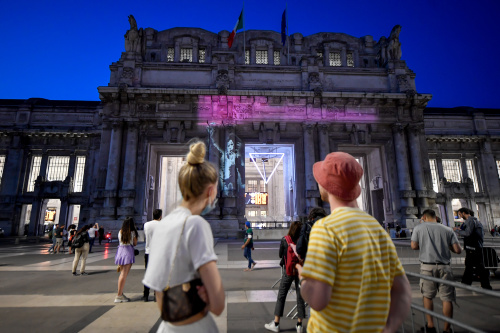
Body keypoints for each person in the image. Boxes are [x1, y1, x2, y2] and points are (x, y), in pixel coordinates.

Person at [296, 152, 411, 333]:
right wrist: (389, 328)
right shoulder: (376, 228)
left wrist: (303, 279)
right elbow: (403, 289)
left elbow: (318, 300)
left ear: (327, 185)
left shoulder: (325, 228)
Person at [142, 141, 225, 332]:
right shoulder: (196, 225)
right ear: (211, 191)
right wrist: (205, 293)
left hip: (167, 326)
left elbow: (160, 297)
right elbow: (218, 304)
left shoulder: (162, 225)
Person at [411, 209, 462, 333]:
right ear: (435, 217)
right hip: (445, 267)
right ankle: (447, 329)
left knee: (427, 296)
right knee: (447, 298)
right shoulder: (448, 229)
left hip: (427, 267)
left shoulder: (419, 228)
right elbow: (458, 250)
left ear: (424, 217)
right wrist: (446, 245)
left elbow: (413, 246)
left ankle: (430, 326)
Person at [265, 221, 306, 333]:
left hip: (288, 272)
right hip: (299, 271)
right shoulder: (302, 241)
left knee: (281, 296)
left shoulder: (285, 239)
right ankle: (299, 325)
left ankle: (276, 323)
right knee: (300, 297)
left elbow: (280, 255)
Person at [454, 208, 492, 289]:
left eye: (460, 214)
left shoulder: (470, 221)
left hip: (473, 247)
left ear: (464, 213)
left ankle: (483, 285)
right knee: (471, 265)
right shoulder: (474, 221)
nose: (460, 216)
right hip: (474, 246)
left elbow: (467, 233)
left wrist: (456, 231)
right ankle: (468, 283)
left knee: (475, 266)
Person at [114, 217, 138, 303]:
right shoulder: (132, 232)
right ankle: (119, 295)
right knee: (123, 275)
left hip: (120, 251)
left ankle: (120, 293)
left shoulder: (120, 231)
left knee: (122, 274)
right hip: (128, 252)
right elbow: (135, 243)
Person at [143, 208, 162, 302]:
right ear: (160, 216)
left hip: (148, 252)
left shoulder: (146, 224)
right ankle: (156, 295)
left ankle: (146, 295)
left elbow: (145, 236)